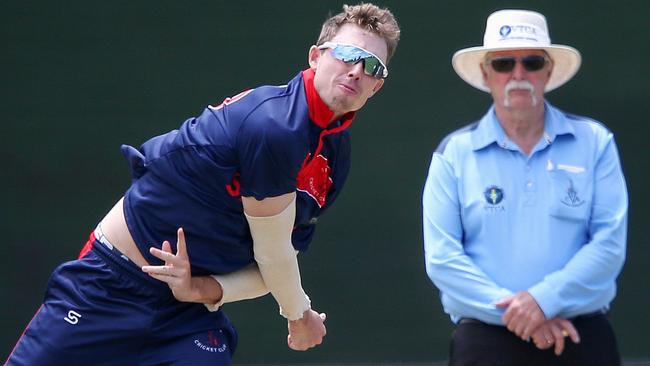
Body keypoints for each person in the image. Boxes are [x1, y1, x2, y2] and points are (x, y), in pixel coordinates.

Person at [5, 4, 400, 365]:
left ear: (378, 86)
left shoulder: (335, 155)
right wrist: (299, 315)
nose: (357, 71)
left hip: (186, 312)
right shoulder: (274, 125)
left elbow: (280, 262)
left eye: (373, 67)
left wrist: (209, 290)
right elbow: (273, 251)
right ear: (316, 56)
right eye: (348, 54)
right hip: (111, 284)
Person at [422, 9, 627, 366]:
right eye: (503, 64)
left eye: (531, 62)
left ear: (548, 71)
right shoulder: (453, 154)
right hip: (485, 341)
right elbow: (442, 259)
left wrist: (541, 301)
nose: (518, 74)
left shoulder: (595, 142)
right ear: (486, 73)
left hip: (580, 337)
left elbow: (609, 246)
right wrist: (521, 315)